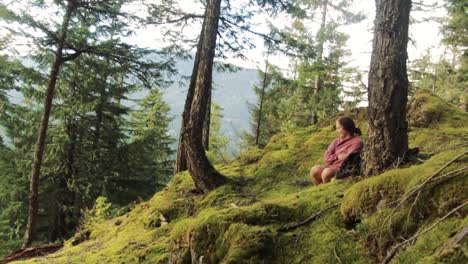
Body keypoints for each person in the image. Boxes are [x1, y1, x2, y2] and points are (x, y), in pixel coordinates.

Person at [310, 117, 363, 185]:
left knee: (326, 173)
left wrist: (337, 157)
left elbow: (347, 159)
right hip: (332, 166)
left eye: (338, 128)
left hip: (343, 170)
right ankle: (319, 190)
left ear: (346, 128)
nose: (336, 131)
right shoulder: (336, 141)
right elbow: (326, 157)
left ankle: (328, 191)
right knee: (314, 170)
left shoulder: (357, 142)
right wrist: (337, 157)